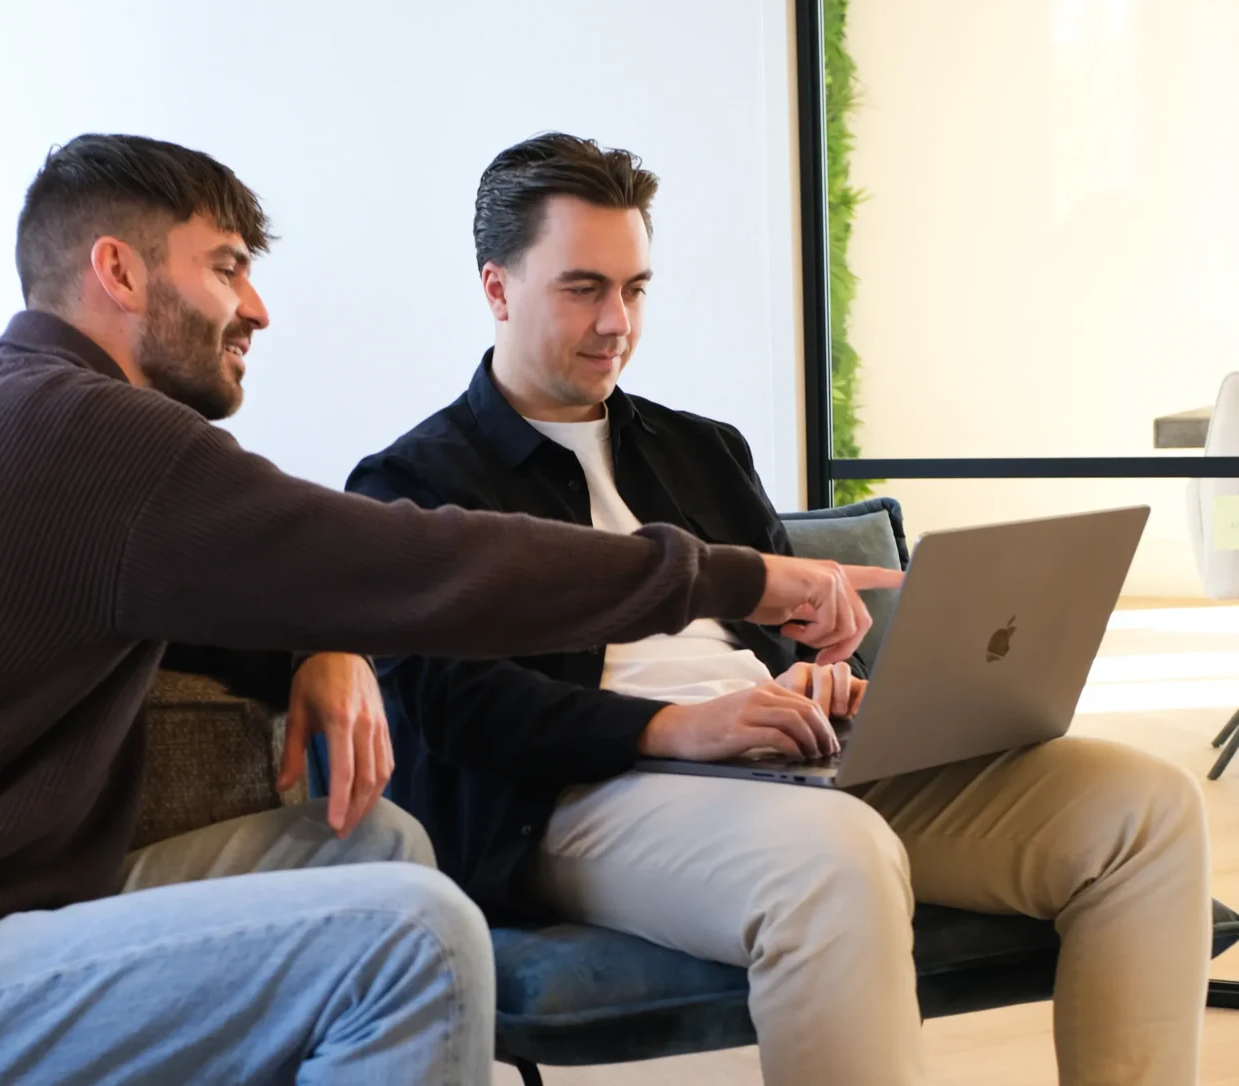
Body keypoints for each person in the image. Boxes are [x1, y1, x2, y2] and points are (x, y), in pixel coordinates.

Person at [0, 134, 892, 1086]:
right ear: (117, 271)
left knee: (368, 842)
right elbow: (414, 563)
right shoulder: (81, 431)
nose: (257, 307)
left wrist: (322, 640)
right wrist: (737, 575)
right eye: (224, 266)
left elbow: (271, 588)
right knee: (410, 937)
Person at [347, 132, 1211, 1086]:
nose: (616, 322)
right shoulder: (412, 484)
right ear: (497, 288)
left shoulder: (701, 450)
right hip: (579, 798)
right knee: (833, 859)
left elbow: (768, 637)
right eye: (583, 287)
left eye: (636, 288)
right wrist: (676, 727)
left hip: (792, 771)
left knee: (1145, 811)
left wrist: (817, 678)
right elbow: (458, 708)